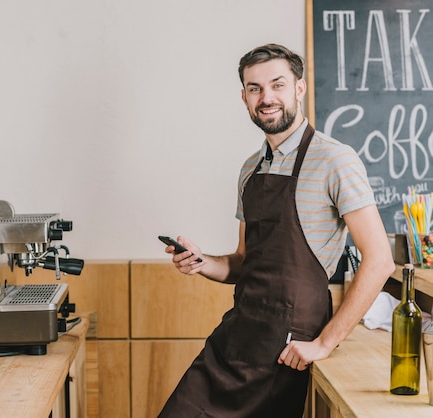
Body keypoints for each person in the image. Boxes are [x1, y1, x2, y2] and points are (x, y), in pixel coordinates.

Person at [158, 43, 395, 417]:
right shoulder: (250, 169)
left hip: (284, 350)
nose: (266, 97)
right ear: (244, 97)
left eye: (277, 85)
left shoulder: (336, 159)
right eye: (255, 88)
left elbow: (380, 261)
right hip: (236, 336)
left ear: (299, 89)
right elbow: (241, 263)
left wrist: (324, 343)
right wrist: (203, 262)